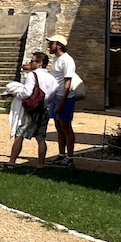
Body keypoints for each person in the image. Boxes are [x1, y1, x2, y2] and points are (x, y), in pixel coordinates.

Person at [5, 51, 58, 167]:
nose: (30, 63)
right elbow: (54, 94)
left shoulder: (32, 75)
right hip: (43, 109)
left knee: (19, 135)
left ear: (39, 63)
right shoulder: (51, 78)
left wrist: (16, 95)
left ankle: (12, 161)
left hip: (31, 110)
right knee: (41, 138)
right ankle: (40, 163)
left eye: (32, 61)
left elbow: (27, 93)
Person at [46, 34, 77, 165]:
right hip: (56, 97)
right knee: (59, 126)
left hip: (65, 98)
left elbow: (67, 82)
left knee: (66, 127)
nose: (49, 46)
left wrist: (62, 102)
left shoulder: (67, 60)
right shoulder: (57, 59)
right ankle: (61, 154)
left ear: (58, 45)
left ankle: (69, 157)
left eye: (51, 43)